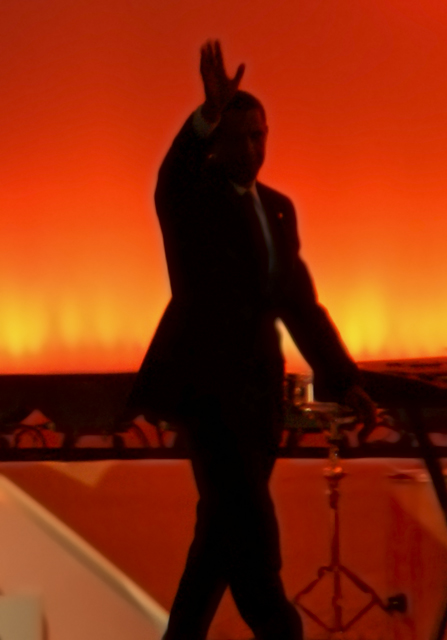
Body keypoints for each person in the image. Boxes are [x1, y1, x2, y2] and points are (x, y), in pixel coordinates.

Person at [128, 40, 376, 640]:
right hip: (208, 397)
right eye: (238, 138)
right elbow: (171, 177)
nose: (251, 149)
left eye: (259, 136)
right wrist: (206, 115)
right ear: (217, 144)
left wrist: (345, 381)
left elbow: (300, 305)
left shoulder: (279, 208)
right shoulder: (193, 200)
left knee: (220, 537)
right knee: (253, 544)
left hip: (261, 399)